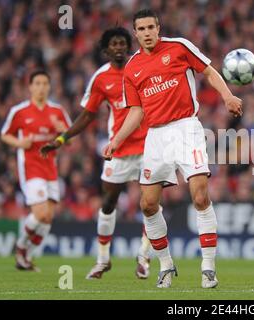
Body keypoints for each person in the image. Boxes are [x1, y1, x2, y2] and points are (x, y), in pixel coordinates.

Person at [103, 9, 242, 289]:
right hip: (155, 136)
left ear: (158, 27)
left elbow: (209, 71)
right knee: (148, 204)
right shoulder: (132, 68)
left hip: (186, 128)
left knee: (200, 197)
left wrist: (227, 96)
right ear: (135, 32)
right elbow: (136, 111)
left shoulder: (179, 47)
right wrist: (116, 140)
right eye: (140, 29)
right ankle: (166, 266)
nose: (146, 33)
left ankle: (208, 268)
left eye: (150, 27)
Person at [40, 27, 152, 280]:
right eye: (114, 43)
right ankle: (103, 259)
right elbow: (88, 114)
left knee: (150, 204)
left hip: (149, 145)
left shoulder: (143, 67)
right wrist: (62, 138)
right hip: (119, 149)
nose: (119, 47)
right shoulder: (101, 78)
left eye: (123, 42)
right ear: (106, 49)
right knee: (108, 202)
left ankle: (144, 257)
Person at [1, 70, 72, 271]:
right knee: (40, 214)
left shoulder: (58, 111)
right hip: (31, 167)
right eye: (37, 83)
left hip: (51, 168)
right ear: (30, 87)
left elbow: (71, 140)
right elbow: (5, 135)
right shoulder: (20, 111)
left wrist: (63, 132)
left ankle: (25, 258)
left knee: (48, 218)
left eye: (44, 83)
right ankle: (21, 246)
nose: (41, 87)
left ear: (49, 86)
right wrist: (19, 142)